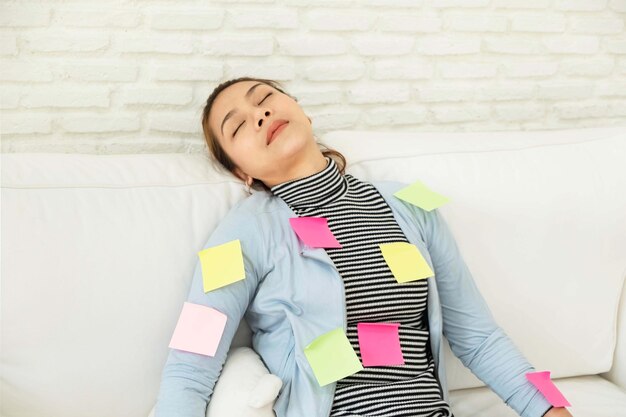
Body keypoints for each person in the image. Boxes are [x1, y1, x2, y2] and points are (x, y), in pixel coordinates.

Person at [154, 77, 573, 417]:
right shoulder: (242, 233)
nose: (260, 114)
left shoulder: (412, 205)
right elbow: (192, 364)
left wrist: (551, 407)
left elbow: (480, 337)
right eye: (239, 126)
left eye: (265, 99)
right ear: (241, 173)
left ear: (302, 111)